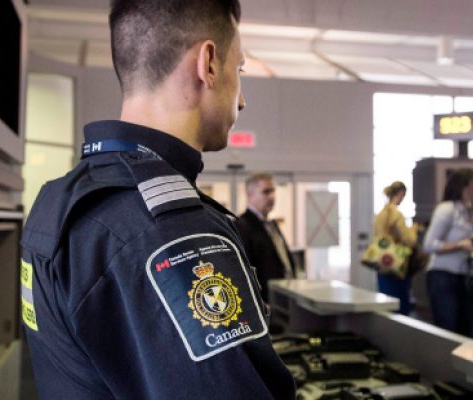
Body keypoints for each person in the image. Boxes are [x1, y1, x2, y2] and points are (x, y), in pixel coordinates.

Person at [19, 1, 296, 398]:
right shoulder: (173, 233)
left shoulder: (57, 200)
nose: (242, 100)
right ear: (209, 64)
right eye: (239, 71)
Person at [423, 168, 473, 338]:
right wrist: (458, 245)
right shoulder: (448, 209)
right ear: (464, 187)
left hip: (467, 276)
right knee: (448, 328)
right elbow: (429, 245)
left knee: (468, 327)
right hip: (443, 275)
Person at [235, 172, 295, 301]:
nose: (272, 197)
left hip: (283, 297)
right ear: (250, 195)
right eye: (266, 192)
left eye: (273, 191)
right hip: (264, 301)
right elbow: (245, 269)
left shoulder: (273, 225)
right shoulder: (241, 226)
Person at [372, 181, 418, 316]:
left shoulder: (381, 214)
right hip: (397, 261)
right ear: (401, 194)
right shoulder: (396, 215)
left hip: (382, 259)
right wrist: (413, 230)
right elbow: (409, 240)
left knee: (386, 298)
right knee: (400, 302)